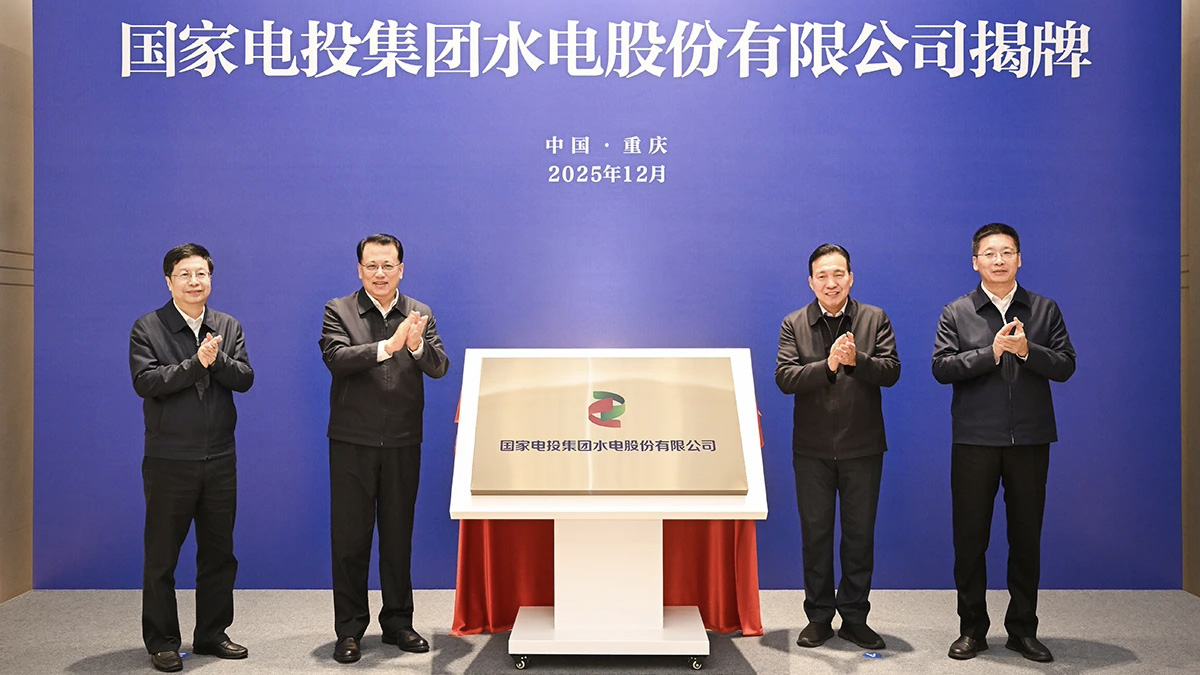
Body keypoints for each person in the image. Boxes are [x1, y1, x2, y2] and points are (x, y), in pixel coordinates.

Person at [932, 223, 1076, 663]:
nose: (999, 260)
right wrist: (991, 353)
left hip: (1030, 440)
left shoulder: (1044, 309)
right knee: (970, 539)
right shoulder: (957, 311)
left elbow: (1066, 365)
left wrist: (1028, 350)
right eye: (990, 253)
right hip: (974, 441)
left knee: (1026, 538)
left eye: (1007, 252)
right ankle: (972, 629)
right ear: (975, 262)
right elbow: (942, 367)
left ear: (1019, 259)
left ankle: (1023, 630)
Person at [319, 233, 450, 663]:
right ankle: (349, 629)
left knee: (397, 537)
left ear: (401, 269)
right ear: (359, 270)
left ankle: (398, 622)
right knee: (350, 540)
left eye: (387, 265)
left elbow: (439, 366)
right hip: (352, 440)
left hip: (402, 440)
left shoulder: (420, 312)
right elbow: (336, 358)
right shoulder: (339, 310)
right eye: (371, 265)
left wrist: (415, 345)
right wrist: (387, 347)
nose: (380, 273)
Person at [129, 243, 255, 673]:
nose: (194, 282)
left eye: (201, 273)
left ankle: (212, 633)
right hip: (169, 459)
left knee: (219, 553)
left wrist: (216, 361)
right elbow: (146, 382)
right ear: (169, 281)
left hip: (220, 457)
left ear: (210, 279)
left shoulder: (227, 325)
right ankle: (162, 641)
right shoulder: (148, 327)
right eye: (184, 274)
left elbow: (245, 378)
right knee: (162, 556)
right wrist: (196, 364)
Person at [775, 243, 901, 651]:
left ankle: (854, 618)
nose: (831, 283)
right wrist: (827, 365)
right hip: (811, 449)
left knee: (859, 537)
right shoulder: (794, 323)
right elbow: (785, 378)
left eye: (838, 274)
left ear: (851, 278)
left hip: (862, 447)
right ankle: (818, 618)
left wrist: (855, 359)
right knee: (816, 536)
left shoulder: (874, 318)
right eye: (823, 276)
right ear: (811, 282)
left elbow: (891, 371)